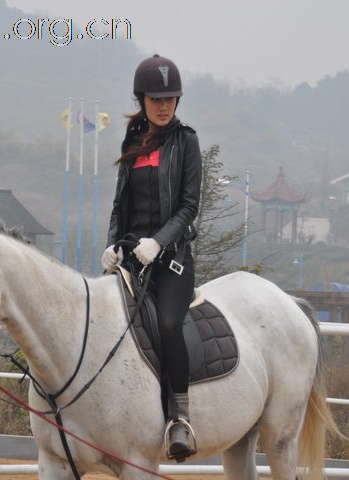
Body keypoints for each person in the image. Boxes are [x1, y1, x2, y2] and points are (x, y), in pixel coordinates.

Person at [101, 54, 202, 461]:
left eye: (171, 98)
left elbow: (189, 206)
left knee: (167, 322)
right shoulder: (132, 140)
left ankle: (179, 418)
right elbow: (119, 203)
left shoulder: (186, 141)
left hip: (171, 260)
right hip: (130, 260)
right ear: (141, 98)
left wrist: (159, 242)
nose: (164, 106)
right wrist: (112, 245)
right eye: (156, 98)